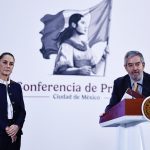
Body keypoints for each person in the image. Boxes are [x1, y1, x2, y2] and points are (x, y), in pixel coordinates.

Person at [0, 52, 26, 150]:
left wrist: (17, 126)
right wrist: (6, 128)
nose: (8, 66)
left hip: (15, 135)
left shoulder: (16, 86)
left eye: (11, 64)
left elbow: (22, 111)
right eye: (5, 62)